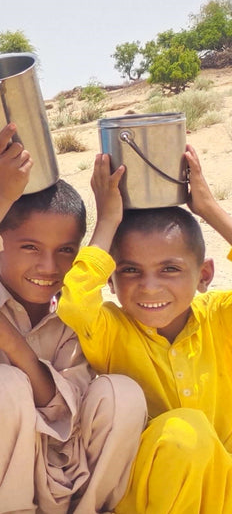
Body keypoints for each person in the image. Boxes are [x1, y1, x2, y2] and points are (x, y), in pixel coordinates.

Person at [0, 123, 146, 513]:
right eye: (29, 247)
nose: (48, 265)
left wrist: (13, 343)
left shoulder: (72, 312)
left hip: (59, 474)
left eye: (64, 251)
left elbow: (62, 408)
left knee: (122, 393)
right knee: (3, 385)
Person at [58, 146, 232, 512]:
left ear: (204, 275)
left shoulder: (220, 317)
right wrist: (107, 221)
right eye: (130, 270)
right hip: (150, 494)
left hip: (220, 490)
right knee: (187, 432)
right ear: (110, 279)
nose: (149, 287)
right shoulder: (111, 328)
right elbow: (74, 302)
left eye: (169, 269)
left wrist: (210, 209)